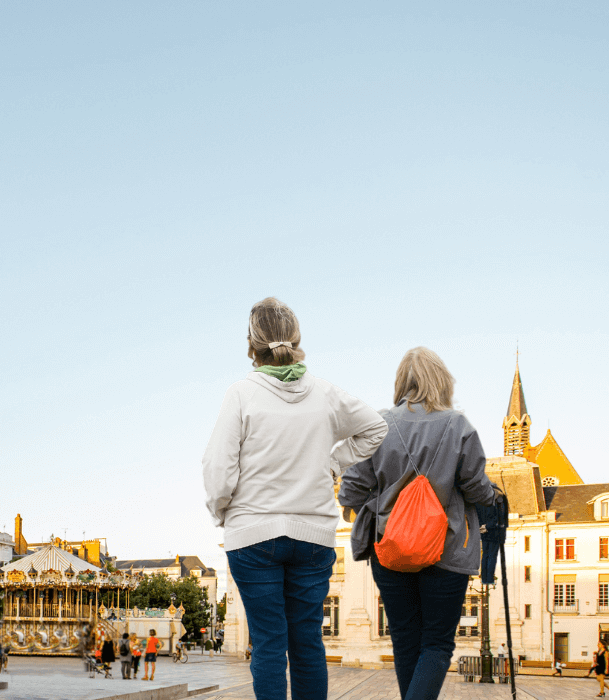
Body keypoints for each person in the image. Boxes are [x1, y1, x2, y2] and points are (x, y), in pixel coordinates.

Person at [203, 297, 389, 700]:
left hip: (252, 534)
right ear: (298, 339)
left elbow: (218, 468)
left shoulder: (241, 394)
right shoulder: (324, 394)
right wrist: (334, 464)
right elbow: (376, 428)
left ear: (251, 343)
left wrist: (222, 511)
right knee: (307, 643)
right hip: (312, 534)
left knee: (269, 644)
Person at [339, 347, 499, 700]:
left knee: (405, 641)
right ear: (442, 382)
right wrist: (493, 496)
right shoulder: (458, 427)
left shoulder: (378, 426)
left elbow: (350, 491)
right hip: (447, 548)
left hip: (390, 549)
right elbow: (476, 486)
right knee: (437, 644)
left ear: (401, 383)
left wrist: (375, 504)